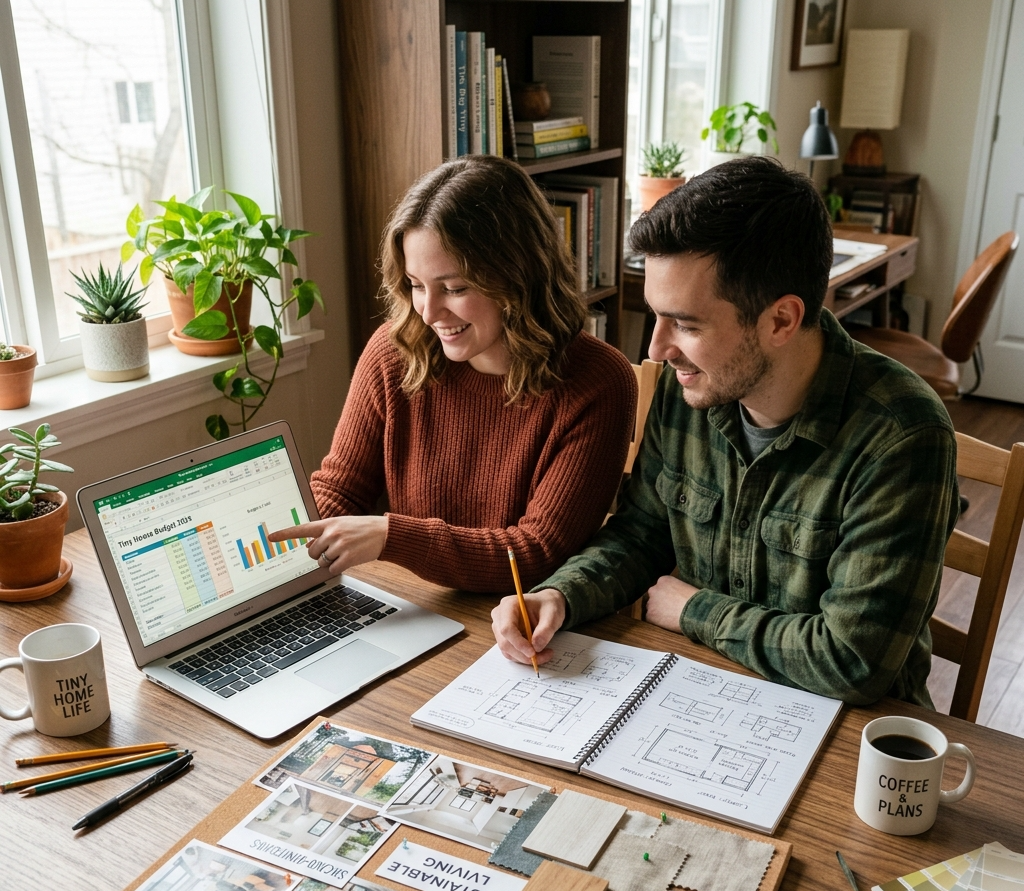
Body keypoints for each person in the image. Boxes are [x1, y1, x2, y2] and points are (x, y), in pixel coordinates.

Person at [492, 156, 959, 706]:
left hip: (846, 734)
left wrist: (694, 610)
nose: (657, 349)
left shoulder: (903, 437)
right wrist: (561, 595)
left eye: (686, 324)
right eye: (657, 316)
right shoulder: (690, 383)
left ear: (781, 320)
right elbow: (641, 532)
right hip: (697, 690)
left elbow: (852, 660)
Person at [268, 155, 637, 591]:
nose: (427, 313)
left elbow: (537, 552)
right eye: (416, 285)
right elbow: (341, 491)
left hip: (522, 625)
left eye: (455, 288)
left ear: (520, 275)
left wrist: (391, 536)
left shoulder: (598, 381)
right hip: (419, 603)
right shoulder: (393, 351)